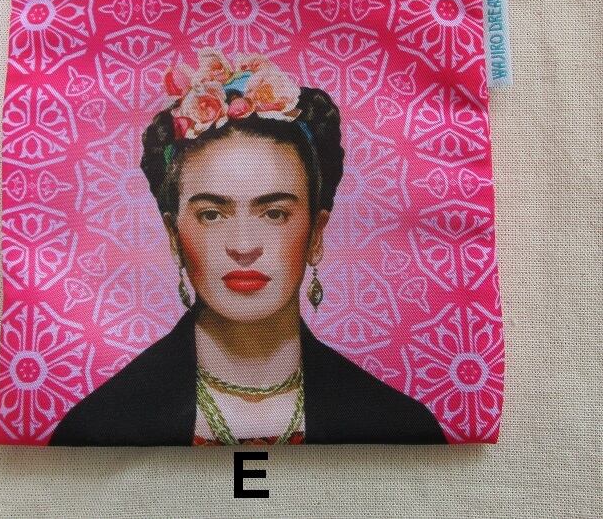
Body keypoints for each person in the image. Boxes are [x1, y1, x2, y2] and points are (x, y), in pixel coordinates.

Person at [49, 49, 447, 446]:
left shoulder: (398, 423)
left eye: (274, 214)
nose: (243, 246)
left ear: (316, 234)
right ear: (174, 235)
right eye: (211, 215)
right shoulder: (99, 424)